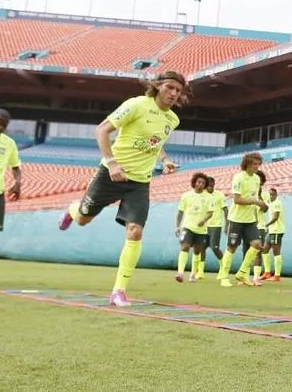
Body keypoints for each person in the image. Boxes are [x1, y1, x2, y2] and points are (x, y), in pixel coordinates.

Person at [58, 71, 189, 306]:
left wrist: (165, 159)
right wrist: (111, 162)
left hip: (139, 182)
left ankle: (119, 290)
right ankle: (72, 209)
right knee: (83, 219)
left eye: (178, 91)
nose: (173, 93)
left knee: (135, 231)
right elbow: (102, 129)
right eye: (170, 87)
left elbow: (155, 143)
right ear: (158, 86)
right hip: (110, 175)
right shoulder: (136, 105)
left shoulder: (172, 120)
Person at [217, 152, 269, 287]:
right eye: (254, 164)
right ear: (247, 164)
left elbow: (256, 197)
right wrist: (256, 202)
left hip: (250, 220)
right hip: (236, 219)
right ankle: (224, 277)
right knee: (231, 247)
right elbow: (237, 199)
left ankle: (242, 273)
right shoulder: (238, 178)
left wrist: (261, 204)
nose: (257, 167)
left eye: (258, 164)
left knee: (257, 245)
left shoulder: (257, 179)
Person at [175, 172, 212, 283]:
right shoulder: (186, 195)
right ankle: (180, 273)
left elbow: (210, 213)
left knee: (197, 251)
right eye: (199, 182)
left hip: (201, 229)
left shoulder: (208, 197)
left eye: (203, 183)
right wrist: (177, 226)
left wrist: (203, 220)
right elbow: (180, 212)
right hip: (188, 226)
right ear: (194, 182)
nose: (200, 184)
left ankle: (193, 274)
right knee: (185, 247)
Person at [199, 176, 227, 280]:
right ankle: (200, 271)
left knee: (214, 247)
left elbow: (225, 210)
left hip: (216, 225)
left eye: (212, 185)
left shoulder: (219, 195)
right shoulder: (202, 195)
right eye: (209, 186)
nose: (210, 187)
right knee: (202, 248)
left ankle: (223, 268)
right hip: (205, 226)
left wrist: (227, 225)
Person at [0, 109, 22, 232]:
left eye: (3, 124)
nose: (0, 126)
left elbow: (15, 167)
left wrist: (18, 183)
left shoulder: (9, 143)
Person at [263, 188, 285, 281]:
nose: (271, 196)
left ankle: (277, 275)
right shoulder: (271, 203)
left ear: (276, 195)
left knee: (276, 253)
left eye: (273, 195)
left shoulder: (277, 203)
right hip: (271, 231)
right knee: (264, 250)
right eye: (270, 195)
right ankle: (267, 272)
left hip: (277, 230)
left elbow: (275, 217)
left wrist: (266, 225)